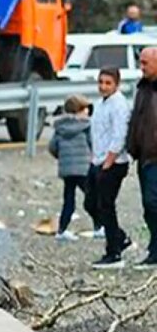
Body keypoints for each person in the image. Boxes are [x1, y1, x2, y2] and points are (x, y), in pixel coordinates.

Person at [86, 67, 134, 269]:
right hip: (97, 160)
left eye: (108, 83)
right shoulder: (100, 103)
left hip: (113, 163)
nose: (103, 87)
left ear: (116, 84)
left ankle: (113, 253)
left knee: (106, 206)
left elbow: (119, 135)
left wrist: (109, 160)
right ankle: (120, 237)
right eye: (101, 82)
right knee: (90, 203)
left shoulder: (119, 105)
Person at [48, 94, 96, 241]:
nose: (88, 112)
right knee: (91, 197)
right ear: (80, 110)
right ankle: (100, 226)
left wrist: (62, 158)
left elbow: (53, 147)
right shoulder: (86, 126)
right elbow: (92, 144)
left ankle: (61, 230)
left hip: (67, 170)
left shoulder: (60, 127)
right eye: (85, 109)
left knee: (68, 200)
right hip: (83, 169)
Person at [126, 47, 157, 269]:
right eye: (141, 62)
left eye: (145, 63)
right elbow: (136, 119)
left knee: (152, 202)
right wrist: (131, 146)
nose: (142, 67)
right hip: (144, 156)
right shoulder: (142, 88)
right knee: (148, 207)